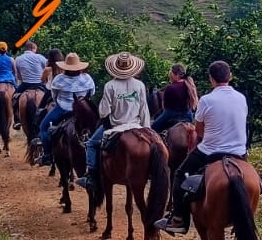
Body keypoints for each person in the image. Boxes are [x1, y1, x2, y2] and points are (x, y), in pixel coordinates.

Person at [155, 60, 248, 235]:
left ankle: (179, 219)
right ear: (230, 77)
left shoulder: (207, 99)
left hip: (211, 151)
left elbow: (198, 130)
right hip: (239, 152)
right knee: (250, 175)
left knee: (179, 174)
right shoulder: (241, 97)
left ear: (211, 79)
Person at [76, 52, 150, 190]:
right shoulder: (139, 85)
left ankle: (91, 176)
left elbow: (104, 112)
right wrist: (146, 129)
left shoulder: (110, 85)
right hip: (136, 125)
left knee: (92, 143)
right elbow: (144, 109)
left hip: (116, 126)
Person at [35, 52, 95, 167]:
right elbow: (91, 93)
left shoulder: (59, 79)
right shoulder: (87, 78)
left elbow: (54, 96)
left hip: (63, 109)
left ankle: (47, 155)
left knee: (43, 127)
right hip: (82, 111)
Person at [151, 64, 198, 133]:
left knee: (153, 128)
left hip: (171, 114)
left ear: (174, 74)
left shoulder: (170, 87)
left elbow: (165, 106)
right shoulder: (190, 86)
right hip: (188, 115)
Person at [11, 41, 48, 129]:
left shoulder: (18, 59)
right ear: (32, 48)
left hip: (25, 84)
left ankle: (17, 120)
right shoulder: (40, 57)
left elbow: (18, 75)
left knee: (14, 98)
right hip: (39, 84)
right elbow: (46, 69)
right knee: (49, 99)